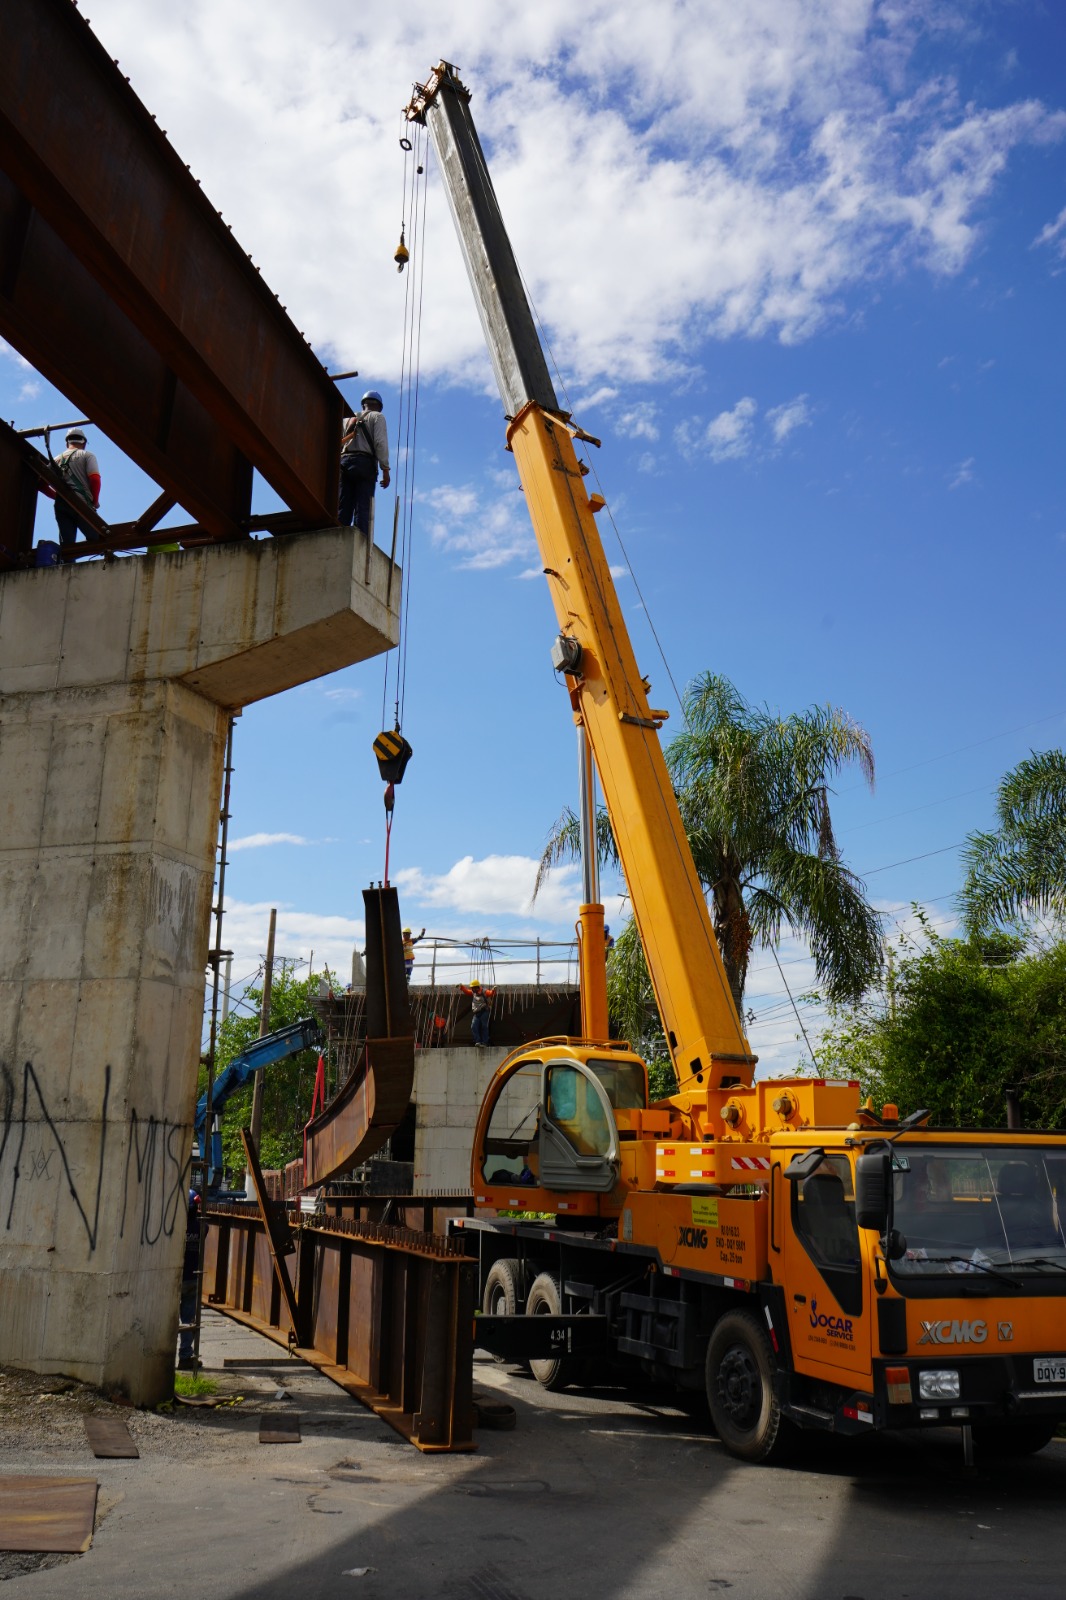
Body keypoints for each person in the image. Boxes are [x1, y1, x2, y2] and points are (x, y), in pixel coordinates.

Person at [338, 390, 390, 534]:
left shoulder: (347, 419)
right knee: (363, 506)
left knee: (343, 505)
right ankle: (360, 541)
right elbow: (380, 443)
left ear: (363, 405)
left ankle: (339, 535)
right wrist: (385, 469)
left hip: (344, 462)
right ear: (379, 406)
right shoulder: (377, 417)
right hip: (364, 463)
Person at [49, 427, 101, 543]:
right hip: (81, 504)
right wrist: (95, 501)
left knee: (67, 547)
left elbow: (41, 483)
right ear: (84, 443)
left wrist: (55, 496)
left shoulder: (55, 460)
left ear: (67, 442)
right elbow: (95, 479)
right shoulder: (87, 455)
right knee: (98, 540)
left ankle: (66, 559)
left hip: (61, 504)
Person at [177, 1188, 201, 1369]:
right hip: (192, 1279)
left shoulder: (176, 1227)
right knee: (187, 1319)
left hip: (175, 1277)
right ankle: (185, 1356)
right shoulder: (203, 1227)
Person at [459, 978, 496, 1046]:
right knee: (474, 1026)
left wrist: (493, 990)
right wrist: (461, 987)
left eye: (473, 988)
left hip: (484, 1012)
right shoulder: (474, 992)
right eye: (472, 988)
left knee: (484, 1026)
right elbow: (467, 991)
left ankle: (485, 1042)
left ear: (477, 987)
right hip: (477, 1013)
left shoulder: (485, 991)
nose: (472, 989)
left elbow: (490, 993)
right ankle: (478, 1041)